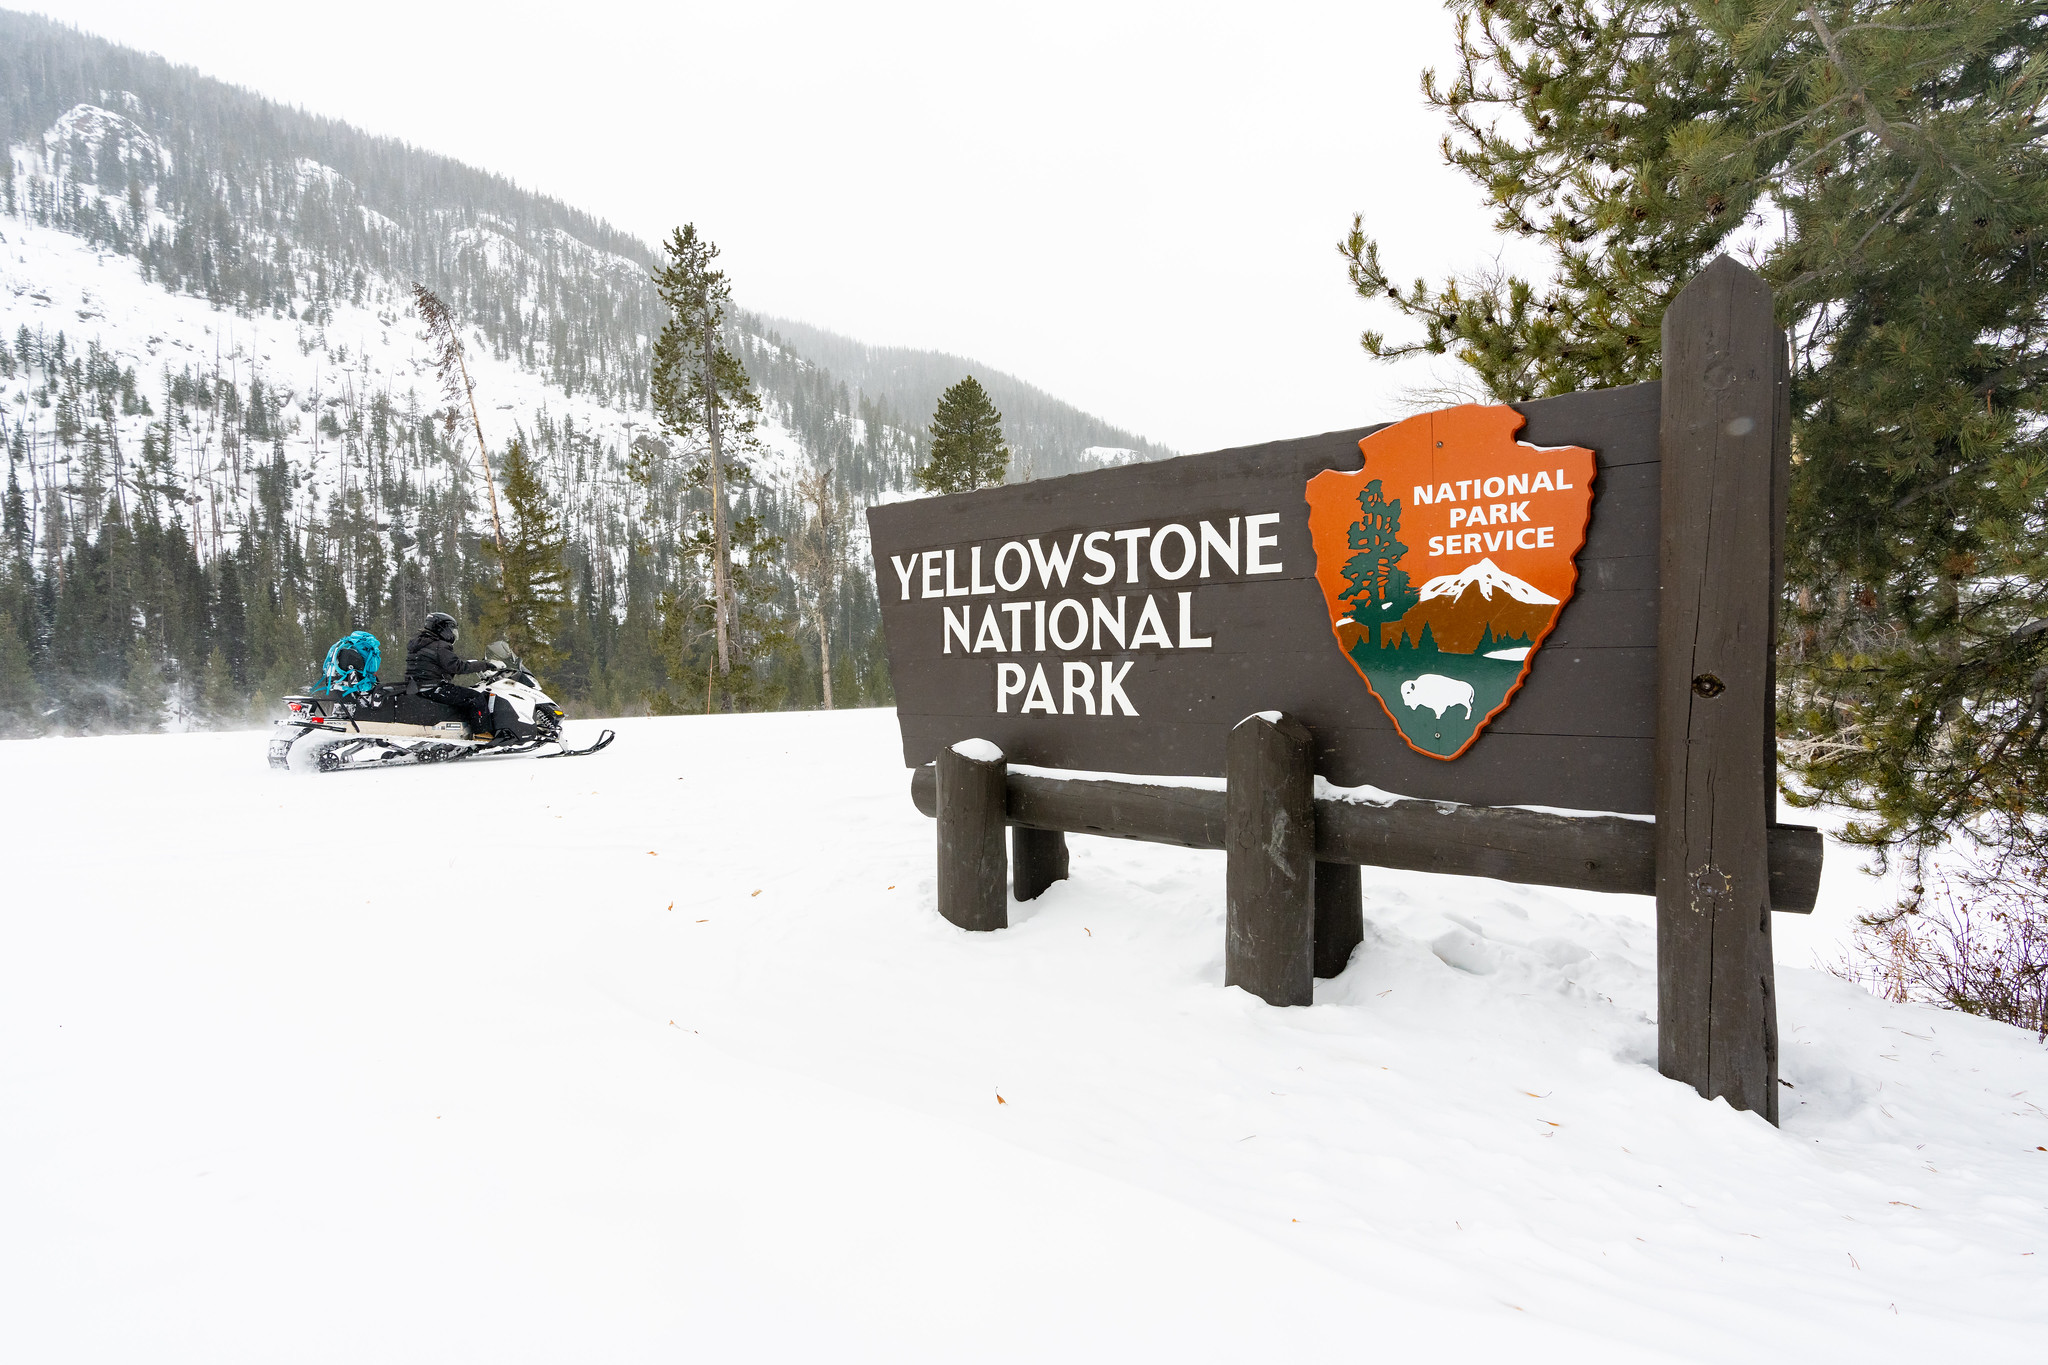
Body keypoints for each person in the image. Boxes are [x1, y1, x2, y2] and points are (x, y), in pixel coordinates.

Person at [404, 612, 497, 735]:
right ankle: (482, 733)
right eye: (452, 629)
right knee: (475, 697)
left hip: (418, 687)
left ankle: (465, 728)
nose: (453, 633)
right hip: (434, 687)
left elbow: (439, 666)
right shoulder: (440, 646)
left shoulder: (420, 643)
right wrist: (484, 665)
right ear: (443, 628)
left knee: (463, 697)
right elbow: (457, 667)